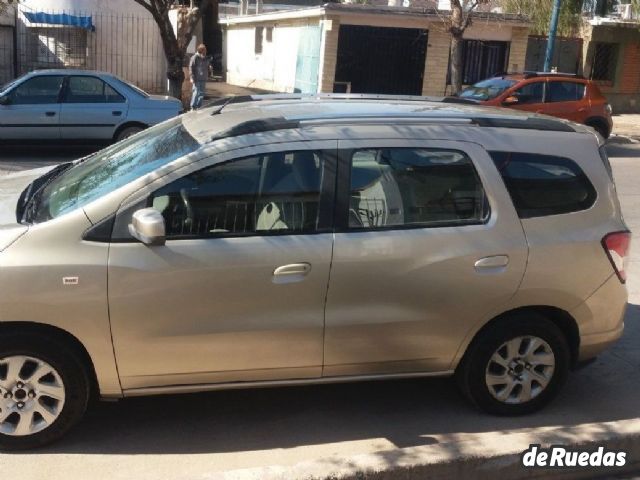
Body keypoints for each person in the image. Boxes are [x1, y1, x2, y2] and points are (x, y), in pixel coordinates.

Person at [189, 44, 212, 110]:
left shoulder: (205, 58)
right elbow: (191, 67)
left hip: (203, 78)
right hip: (196, 78)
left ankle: (199, 106)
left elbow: (208, 65)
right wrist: (191, 77)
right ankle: (193, 106)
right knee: (196, 92)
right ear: (201, 50)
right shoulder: (195, 57)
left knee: (201, 93)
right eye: (204, 50)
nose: (205, 51)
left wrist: (209, 67)